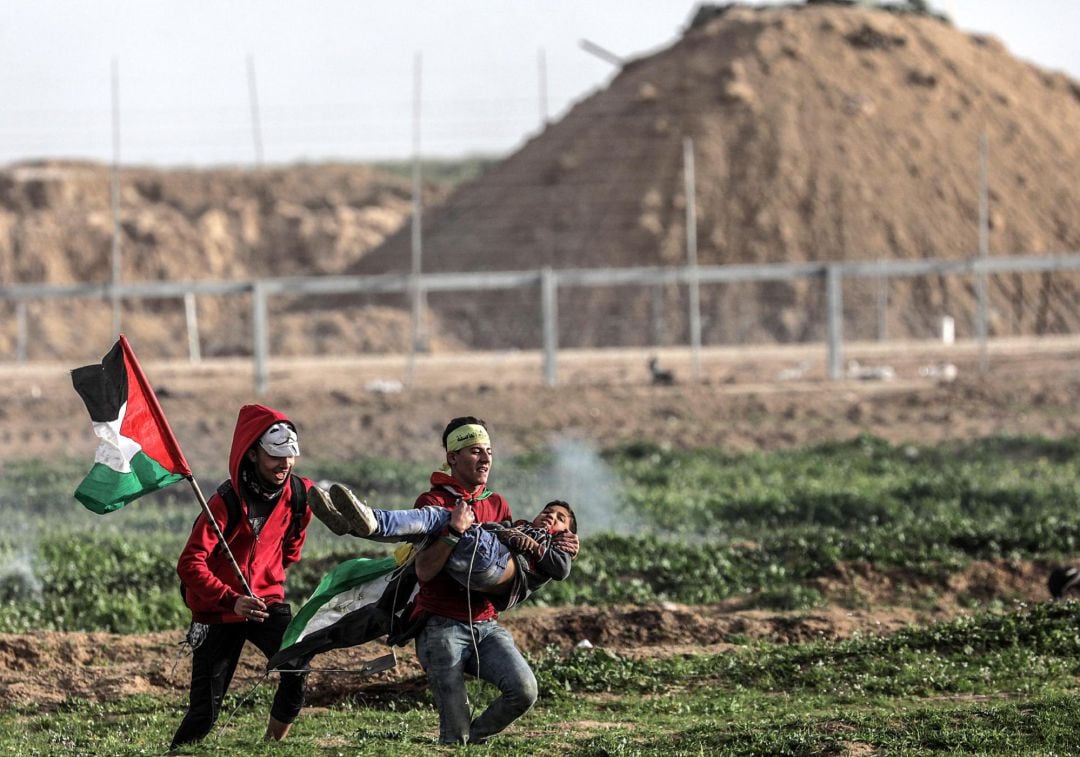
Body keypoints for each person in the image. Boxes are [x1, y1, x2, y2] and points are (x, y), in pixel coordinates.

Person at [391, 416, 579, 745]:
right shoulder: (432, 503)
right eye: (475, 451)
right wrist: (453, 531)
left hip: (486, 625)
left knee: (524, 690)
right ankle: (459, 741)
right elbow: (424, 571)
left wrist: (558, 545)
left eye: (489, 451)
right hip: (441, 628)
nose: (486, 458)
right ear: (452, 458)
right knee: (454, 730)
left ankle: (472, 738)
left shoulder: (496, 503)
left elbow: (509, 561)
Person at [171, 404, 313, 750]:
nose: (285, 464)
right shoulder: (223, 503)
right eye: (275, 456)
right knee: (205, 710)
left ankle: (271, 746)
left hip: (266, 603)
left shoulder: (300, 494)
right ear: (252, 454)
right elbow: (190, 564)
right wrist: (232, 599)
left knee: (296, 668)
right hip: (219, 610)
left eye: (290, 456)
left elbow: (293, 545)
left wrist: (268, 579)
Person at [309, 482, 577, 606]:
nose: (550, 516)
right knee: (427, 534)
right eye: (546, 512)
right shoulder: (517, 526)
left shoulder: (554, 547)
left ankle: (374, 520)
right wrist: (507, 532)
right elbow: (501, 532)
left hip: (494, 564)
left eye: (560, 518)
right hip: (473, 567)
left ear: (567, 533)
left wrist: (532, 544)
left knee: (438, 517)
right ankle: (351, 526)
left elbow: (561, 570)